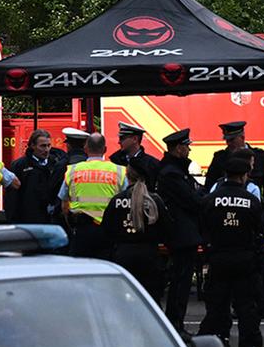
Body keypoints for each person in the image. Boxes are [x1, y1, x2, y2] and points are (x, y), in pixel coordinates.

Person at [202, 121, 264, 320]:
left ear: (242, 137)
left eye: (231, 140)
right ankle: (230, 308)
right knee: (230, 271)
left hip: (253, 221)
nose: (229, 144)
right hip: (226, 224)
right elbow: (209, 187)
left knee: (260, 264)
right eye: (227, 140)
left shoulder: (261, 157)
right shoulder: (220, 159)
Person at [199, 148, 264, 347]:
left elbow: (203, 229)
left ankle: (215, 345)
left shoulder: (210, 200)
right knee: (246, 306)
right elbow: (260, 230)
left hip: (218, 258)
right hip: (245, 260)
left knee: (217, 306)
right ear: (244, 175)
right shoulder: (251, 201)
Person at [155, 128, 207, 335]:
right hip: (181, 234)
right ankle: (176, 324)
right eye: (186, 146)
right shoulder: (172, 174)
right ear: (178, 148)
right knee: (180, 282)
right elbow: (192, 200)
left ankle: (176, 322)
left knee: (181, 280)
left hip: (182, 233)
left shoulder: (175, 171)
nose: (189, 150)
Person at [104, 166, 166, 307]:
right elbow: (167, 227)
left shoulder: (117, 200)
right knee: (151, 300)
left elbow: (107, 228)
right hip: (149, 255)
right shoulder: (154, 200)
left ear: (127, 177)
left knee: (122, 299)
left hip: (123, 254)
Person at [60, 134, 125, 259]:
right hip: (109, 231)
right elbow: (126, 200)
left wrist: (71, 225)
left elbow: (64, 204)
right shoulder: (119, 171)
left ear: (85, 149)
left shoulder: (73, 170)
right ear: (105, 149)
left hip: (81, 230)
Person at [9, 129, 65, 224]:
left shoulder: (57, 164)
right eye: (42, 146)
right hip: (29, 220)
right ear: (33, 146)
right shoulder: (20, 165)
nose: (46, 150)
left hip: (52, 220)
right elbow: (12, 196)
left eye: (48, 146)